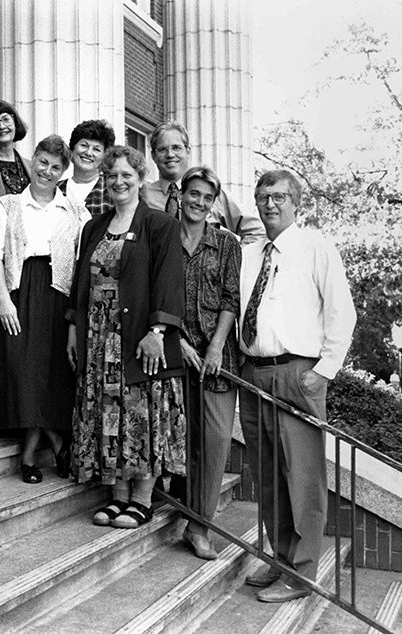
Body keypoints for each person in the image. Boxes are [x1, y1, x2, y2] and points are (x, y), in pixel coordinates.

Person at [238, 169, 356, 602]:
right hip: (255, 372)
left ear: (296, 203)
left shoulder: (315, 247)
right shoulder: (249, 253)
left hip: (298, 372)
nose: (270, 203)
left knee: (302, 477)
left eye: (280, 196)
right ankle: (281, 559)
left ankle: (302, 574)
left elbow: (342, 313)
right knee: (267, 477)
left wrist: (322, 371)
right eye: (263, 196)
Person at [67, 145, 186, 529]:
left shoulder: (159, 224)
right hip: (98, 338)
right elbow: (78, 285)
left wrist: (157, 331)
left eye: (126, 176)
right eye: (112, 175)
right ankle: (116, 497)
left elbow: (169, 280)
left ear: (140, 179)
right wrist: (74, 328)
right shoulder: (94, 227)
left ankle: (142, 500)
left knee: (140, 411)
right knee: (107, 413)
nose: (118, 182)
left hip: (137, 336)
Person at [0, 135, 90, 483]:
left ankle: (28, 457)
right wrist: (4, 300)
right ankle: (57, 444)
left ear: (63, 172)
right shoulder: (7, 205)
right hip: (18, 294)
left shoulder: (76, 211)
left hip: (59, 297)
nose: (47, 171)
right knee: (21, 370)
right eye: (42, 162)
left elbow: (83, 262)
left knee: (51, 374)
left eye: (55, 167)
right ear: (32, 161)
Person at [171, 166, 242, 560]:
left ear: (213, 203)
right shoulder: (164, 238)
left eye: (207, 197)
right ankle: (175, 507)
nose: (199, 202)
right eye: (193, 194)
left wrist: (215, 347)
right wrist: (177, 340)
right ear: (181, 195)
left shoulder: (227, 244)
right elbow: (156, 295)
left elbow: (231, 299)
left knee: (214, 445)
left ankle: (199, 527)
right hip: (175, 354)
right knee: (182, 441)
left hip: (217, 360)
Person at [143, 121, 264, 244]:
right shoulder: (143, 197)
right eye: (162, 149)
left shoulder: (212, 192)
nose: (170, 154)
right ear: (153, 155)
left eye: (176, 148)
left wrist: (231, 259)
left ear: (188, 151)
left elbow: (256, 232)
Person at [57, 119, 115, 217]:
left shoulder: (112, 191)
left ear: (105, 156)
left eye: (96, 149)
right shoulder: (55, 190)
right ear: (72, 149)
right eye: (84, 145)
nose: (88, 153)